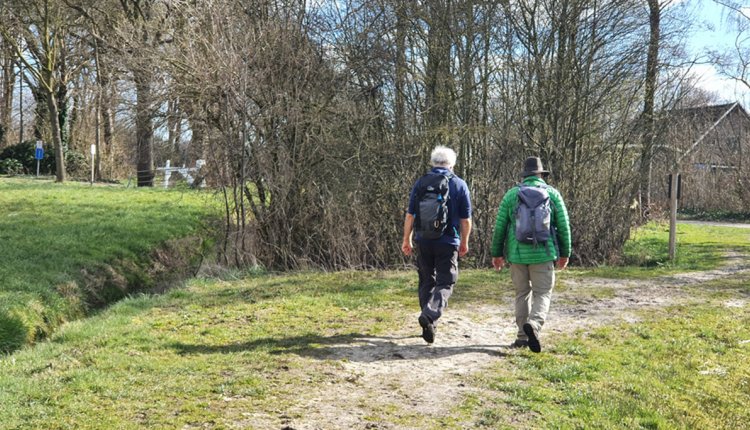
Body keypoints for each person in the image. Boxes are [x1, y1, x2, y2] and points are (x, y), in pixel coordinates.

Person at [491, 156, 572, 353]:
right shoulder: (552, 194)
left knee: (522, 293)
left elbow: (500, 227)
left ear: (525, 175)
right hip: (544, 253)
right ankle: (534, 325)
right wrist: (565, 253)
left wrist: (497, 253)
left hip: (517, 254)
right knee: (542, 292)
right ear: (541, 175)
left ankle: (521, 337)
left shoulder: (511, 195)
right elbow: (563, 226)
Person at [402, 146, 472, 344]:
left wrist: (406, 239)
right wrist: (464, 242)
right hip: (448, 241)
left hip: (423, 240)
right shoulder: (459, 184)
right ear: (452, 164)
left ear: (433, 163)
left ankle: (428, 320)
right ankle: (430, 315)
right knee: (446, 281)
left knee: (426, 280)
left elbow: (410, 215)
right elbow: (466, 220)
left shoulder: (421, 183)